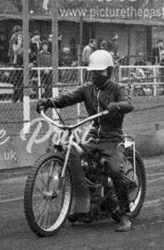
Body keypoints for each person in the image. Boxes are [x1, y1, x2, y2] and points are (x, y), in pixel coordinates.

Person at [36, 49, 135, 232]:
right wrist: (48, 101)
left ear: (109, 71)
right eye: (93, 72)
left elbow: (129, 104)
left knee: (114, 170)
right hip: (92, 137)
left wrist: (117, 106)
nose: (96, 75)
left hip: (112, 139)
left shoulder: (117, 89)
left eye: (100, 72)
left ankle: (125, 215)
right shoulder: (86, 89)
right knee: (78, 162)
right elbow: (67, 98)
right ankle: (86, 207)